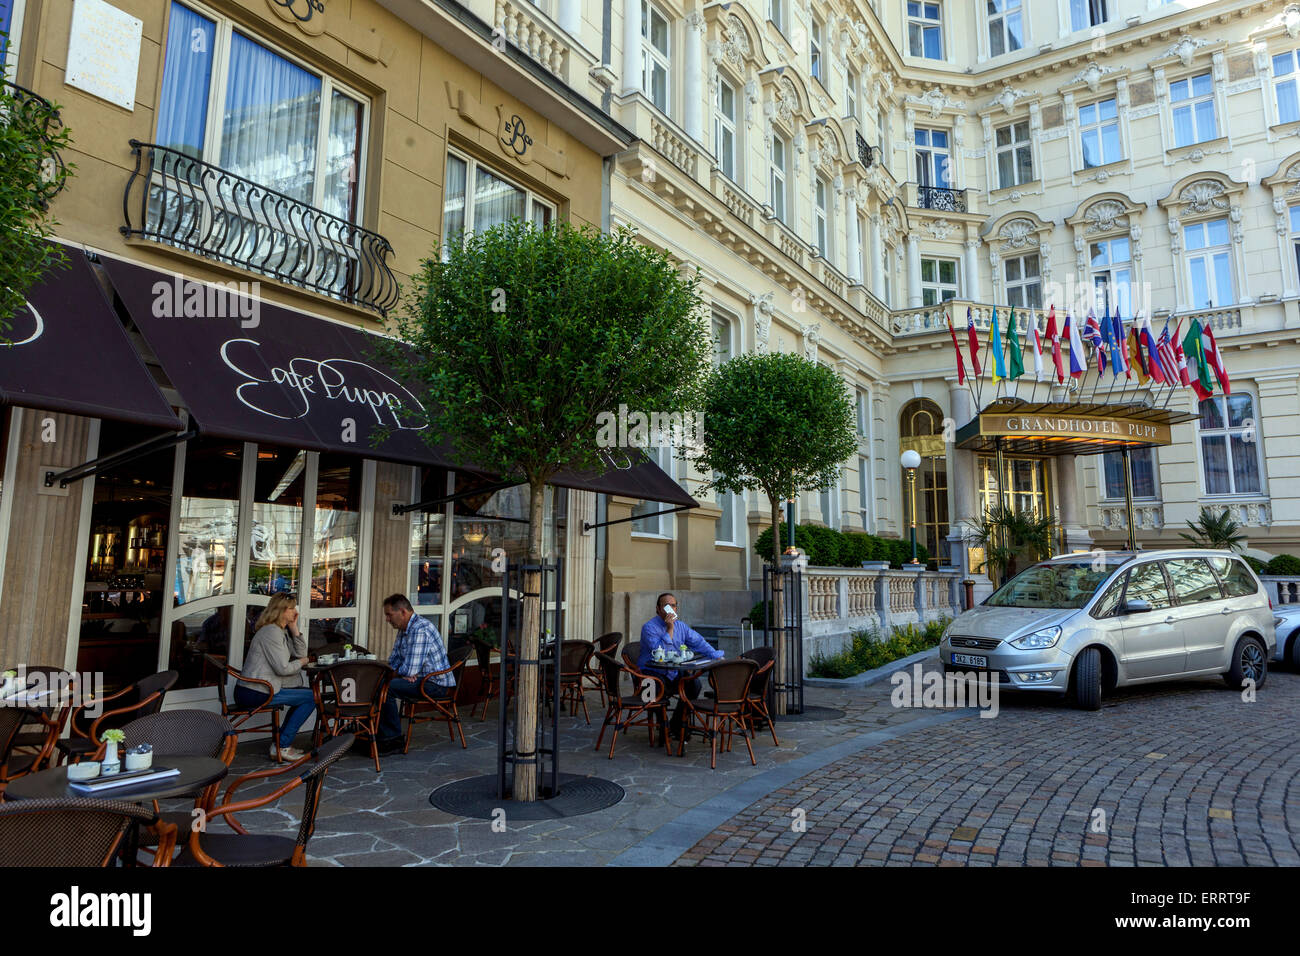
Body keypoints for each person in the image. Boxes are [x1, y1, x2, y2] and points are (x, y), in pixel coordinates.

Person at [234, 592, 315, 762]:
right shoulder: (272, 632)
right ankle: (282, 745)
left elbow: (300, 653)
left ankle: (281, 743)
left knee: (307, 694)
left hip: (261, 688)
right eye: (292, 608)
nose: (295, 612)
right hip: (255, 691)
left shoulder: (280, 631)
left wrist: (295, 629)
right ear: (281, 610)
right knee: (312, 697)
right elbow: (283, 669)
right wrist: (302, 662)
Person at [638, 593, 723, 744]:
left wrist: (715, 655)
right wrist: (669, 628)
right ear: (658, 609)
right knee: (654, 693)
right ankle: (662, 727)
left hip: (672, 673)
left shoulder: (681, 627)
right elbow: (660, 653)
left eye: (673, 605)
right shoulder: (649, 627)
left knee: (694, 685)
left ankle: (676, 725)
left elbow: (699, 642)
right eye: (666, 606)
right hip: (649, 675)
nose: (670, 609)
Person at [377, 593, 454, 754]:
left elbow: (410, 670)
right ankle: (373, 732)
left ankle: (393, 740)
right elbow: (394, 661)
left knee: (386, 688)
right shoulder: (404, 629)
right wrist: (402, 672)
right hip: (420, 679)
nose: (387, 619)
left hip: (434, 684)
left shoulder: (420, 629)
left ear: (403, 612)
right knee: (376, 681)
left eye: (389, 615)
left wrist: (404, 672)